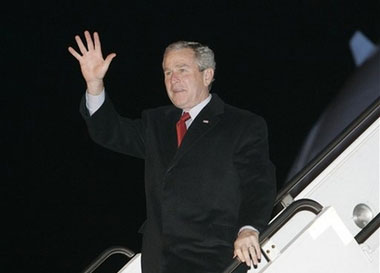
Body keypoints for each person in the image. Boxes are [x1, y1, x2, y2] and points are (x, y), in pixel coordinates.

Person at [68, 30, 276, 273]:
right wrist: (94, 84)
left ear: (207, 75)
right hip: (159, 261)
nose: (173, 79)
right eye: (167, 72)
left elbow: (258, 183)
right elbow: (109, 132)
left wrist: (249, 229)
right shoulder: (157, 122)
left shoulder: (241, 124)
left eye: (182, 70)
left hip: (212, 259)